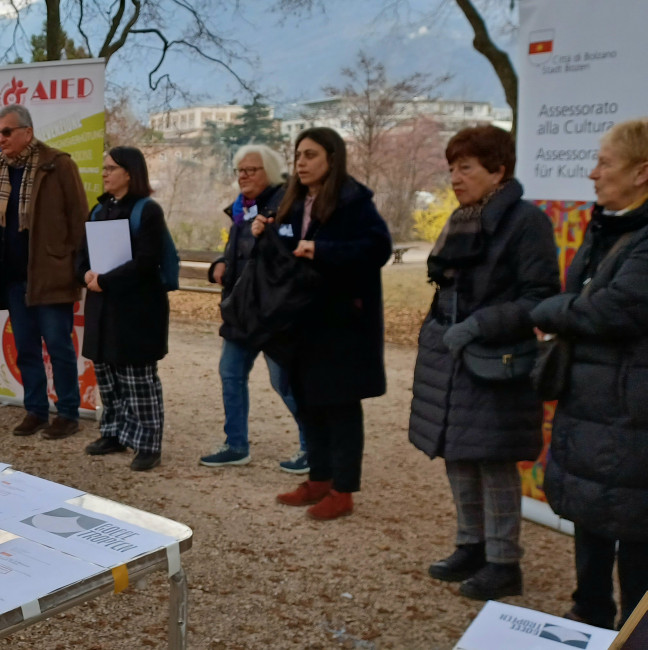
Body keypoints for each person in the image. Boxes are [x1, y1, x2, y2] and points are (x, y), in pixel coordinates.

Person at [408, 125, 559, 601]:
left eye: (466, 167)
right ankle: (470, 546)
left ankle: (503, 562)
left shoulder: (526, 221)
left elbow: (541, 297)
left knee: (492, 462)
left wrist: (480, 325)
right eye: (452, 167)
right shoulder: (463, 218)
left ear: (499, 170)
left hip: (497, 360)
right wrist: (437, 325)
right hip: (454, 358)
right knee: (458, 455)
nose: (455, 177)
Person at [531, 118, 648, 630]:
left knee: (637, 529)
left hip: (632, 416)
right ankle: (590, 614)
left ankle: (634, 632)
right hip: (594, 407)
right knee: (591, 513)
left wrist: (554, 311)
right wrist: (569, 307)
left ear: (643, 172)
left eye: (604, 162)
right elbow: (582, 299)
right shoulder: (609, 227)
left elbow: (611, 311)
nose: (592, 173)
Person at [264, 127, 391, 520]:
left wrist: (321, 249)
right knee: (308, 400)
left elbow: (378, 248)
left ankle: (343, 489)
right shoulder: (294, 199)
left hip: (341, 323)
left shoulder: (354, 201)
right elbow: (285, 247)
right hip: (301, 318)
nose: (301, 162)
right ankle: (318, 479)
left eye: (310, 155)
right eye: (298, 155)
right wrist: (267, 235)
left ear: (332, 159)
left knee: (340, 405)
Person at [0, 104, 88, 440]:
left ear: (27, 132)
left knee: (58, 346)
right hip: (13, 277)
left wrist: (74, 267)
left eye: (7, 132)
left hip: (50, 275)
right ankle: (36, 410)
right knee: (26, 347)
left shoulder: (57, 164)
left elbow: (79, 220)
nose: (1, 138)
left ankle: (68, 414)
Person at [201, 144, 309, 472]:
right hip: (241, 308)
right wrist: (220, 262)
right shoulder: (242, 209)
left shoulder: (287, 204)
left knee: (285, 384)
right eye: (240, 171)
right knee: (230, 374)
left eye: (251, 170)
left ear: (270, 173)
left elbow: (286, 253)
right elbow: (237, 249)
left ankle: (314, 447)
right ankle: (236, 445)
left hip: (273, 312)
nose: (243, 176)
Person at [79, 147, 169, 471]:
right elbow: (82, 257)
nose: (104, 173)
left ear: (130, 172)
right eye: (103, 167)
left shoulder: (148, 211)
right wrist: (86, 274)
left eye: (111, 168)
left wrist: (106, 281)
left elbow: (147, 262)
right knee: (107, 377)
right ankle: (114, 434)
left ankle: (148, 444)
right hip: (102, 309)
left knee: (138, 380)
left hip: (136, 311)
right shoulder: (98, 210)